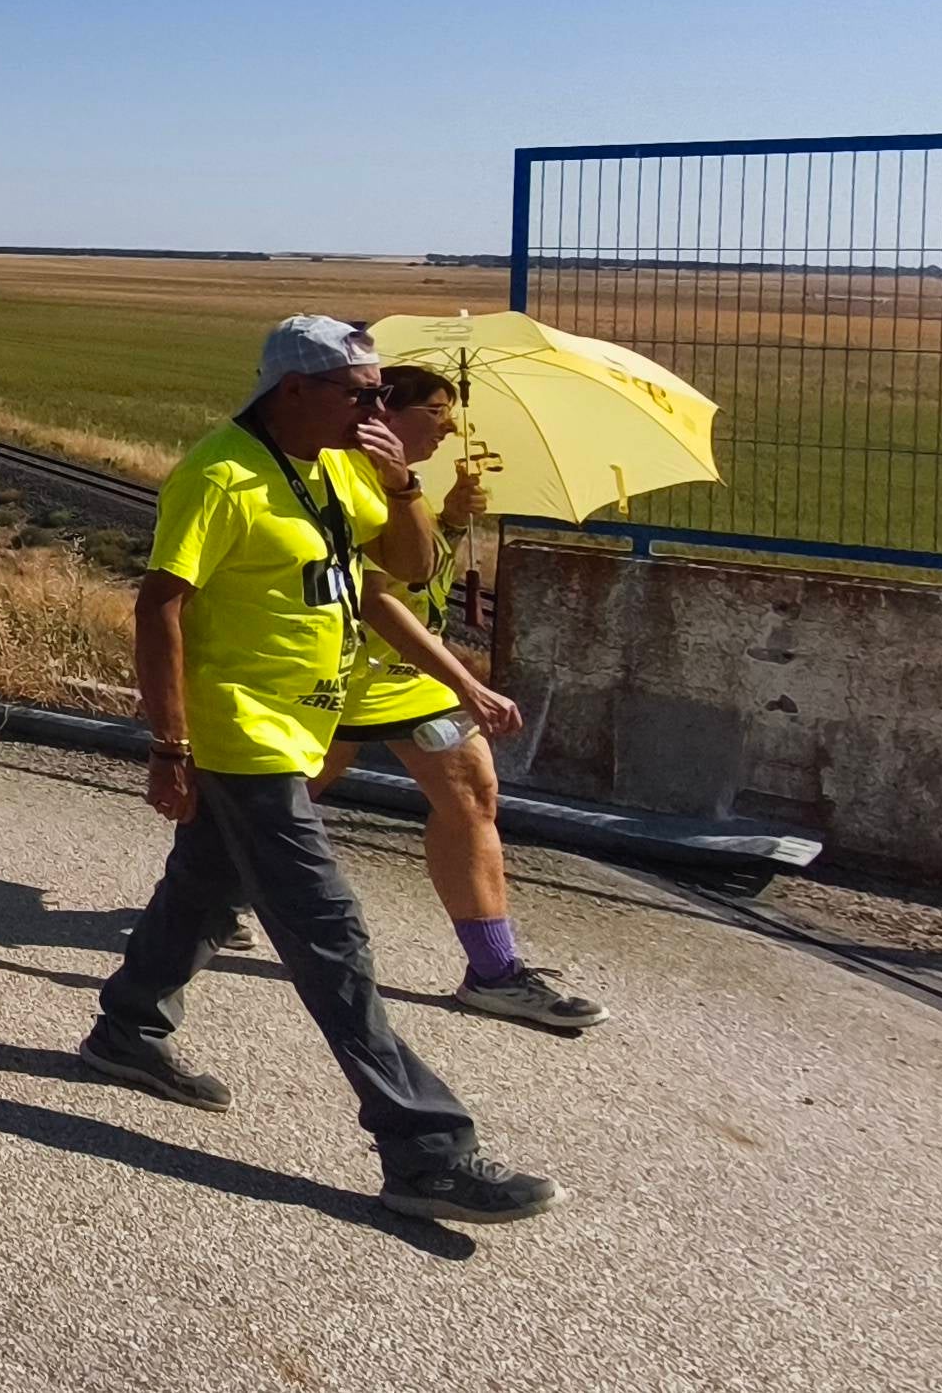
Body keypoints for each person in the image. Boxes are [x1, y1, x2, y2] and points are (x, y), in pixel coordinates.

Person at [77, 316, 561, 1225]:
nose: (379, 406)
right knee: (328, 930)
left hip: (300, 727)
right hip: (239, 732)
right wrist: (169, 744)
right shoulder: (219, 475)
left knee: (205, 888)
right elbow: (160, 608)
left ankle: (127, 1031)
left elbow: (397, 576)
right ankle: (426, 1149)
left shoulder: (342, 462)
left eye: (382, 393)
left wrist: (404, 483)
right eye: (363, 392)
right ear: (293, 389)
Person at [311, 364, 604, 1033]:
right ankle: (203, 901)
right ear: (385, 411)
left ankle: (494, 972)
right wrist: (467, 683)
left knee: (472, 795)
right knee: (278, 804)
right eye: (436, 410)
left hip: (407, 683)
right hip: (341, 677)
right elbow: (380, 597)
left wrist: (444, 514)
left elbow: (415, 569)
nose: (449, 425)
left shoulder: (396, 480)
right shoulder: (342, 475)